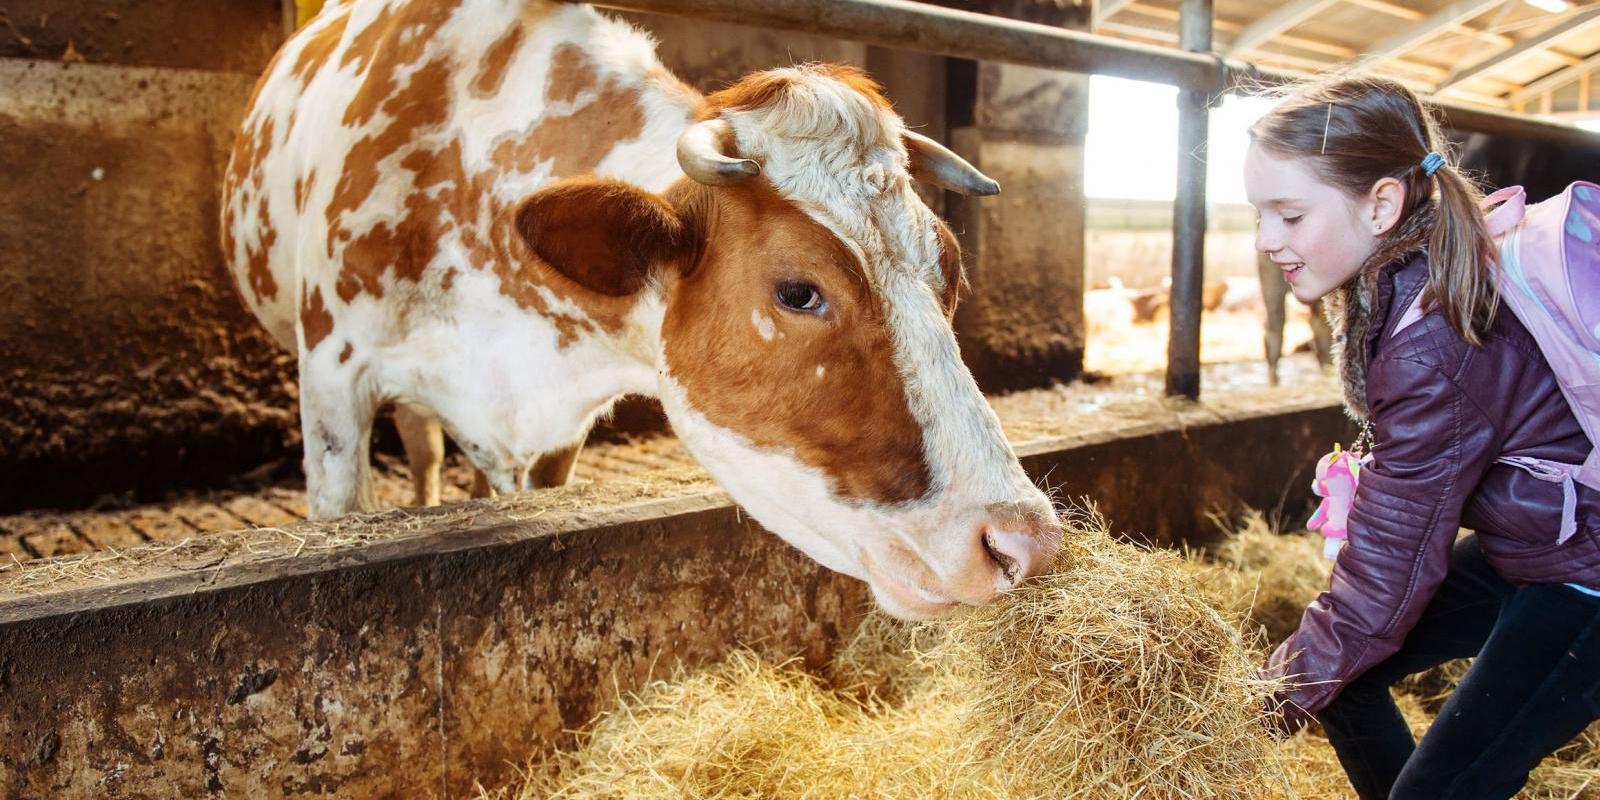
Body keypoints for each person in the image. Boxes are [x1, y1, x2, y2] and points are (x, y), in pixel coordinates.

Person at [1248, 74, 1600, 799]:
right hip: (1538, 540)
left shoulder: (1430, 340)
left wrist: (1263, 702)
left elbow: (1392, 562)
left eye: (1288, 215)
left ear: (1382, 203)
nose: (1265, 240)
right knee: (1345, 676)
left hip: (1586, 573)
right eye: (1259, 215)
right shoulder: (1409, 276)